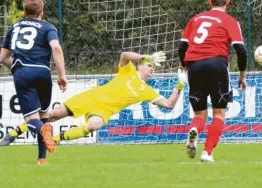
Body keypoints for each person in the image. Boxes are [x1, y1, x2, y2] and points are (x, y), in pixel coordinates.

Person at [39, 51, 187, 153]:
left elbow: (169, 104)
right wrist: (146, 56)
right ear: (140, 66)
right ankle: (19, 130)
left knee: (94, 124)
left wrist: (179, 85)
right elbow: (124, 55)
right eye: (149, 65)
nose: (152, 69)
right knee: (53, 115)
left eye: (154, 68)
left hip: (104, 111)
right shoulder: (128, 71)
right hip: (91, 98)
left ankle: (54, 140)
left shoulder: (147, 90)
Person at [178, 0, 247, 162]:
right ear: (228, 3)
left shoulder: (195, 19)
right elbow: (241, 50)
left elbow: (182, 47)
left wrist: (185, 65)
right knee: (218, 113)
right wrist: (242, 75)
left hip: (195, 65)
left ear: (209, 2)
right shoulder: (230, 20)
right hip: (217, 64)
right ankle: (207, 152)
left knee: (200, 114)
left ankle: (194, 130)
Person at [0, 0, 67, 165]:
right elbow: (56, 48)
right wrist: (62, 75)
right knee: (44, 115)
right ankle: (41, 159)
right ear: (41, 13)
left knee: (32, 120)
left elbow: (3, 58)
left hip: (23, 71)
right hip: (43, 73)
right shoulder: (48, 27)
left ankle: (43, 133)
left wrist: (15, 68)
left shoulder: (14, 27)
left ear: (24, 12)